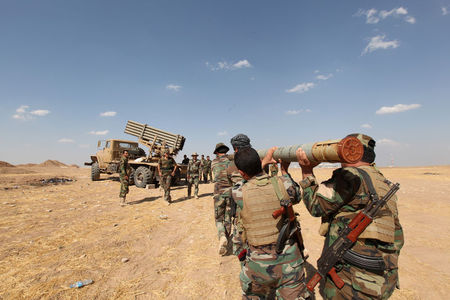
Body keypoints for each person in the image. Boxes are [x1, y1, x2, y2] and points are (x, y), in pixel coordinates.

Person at [296, 133, 404, 300]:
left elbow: (316, 206)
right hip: (381, 275)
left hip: (352, 278)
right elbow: (396, 234)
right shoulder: (383, 182)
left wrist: (307, 171)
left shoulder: (351, 176)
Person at [232, 147, 309, 299]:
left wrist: (263, 163)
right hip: (290, 263)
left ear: (241, 172)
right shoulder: (283, 184)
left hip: (258, 266)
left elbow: (248, 179)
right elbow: (297, 196)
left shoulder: (238, 192)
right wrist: (285, 171)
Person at [211, 143, 232, 255]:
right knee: (228, 219)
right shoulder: (231, 162)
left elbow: (215, 174)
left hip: (218, 193)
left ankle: (222, 236)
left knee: (219, 219)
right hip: (229, 193)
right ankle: (227, 240)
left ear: (217, 153)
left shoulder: (214, 162)